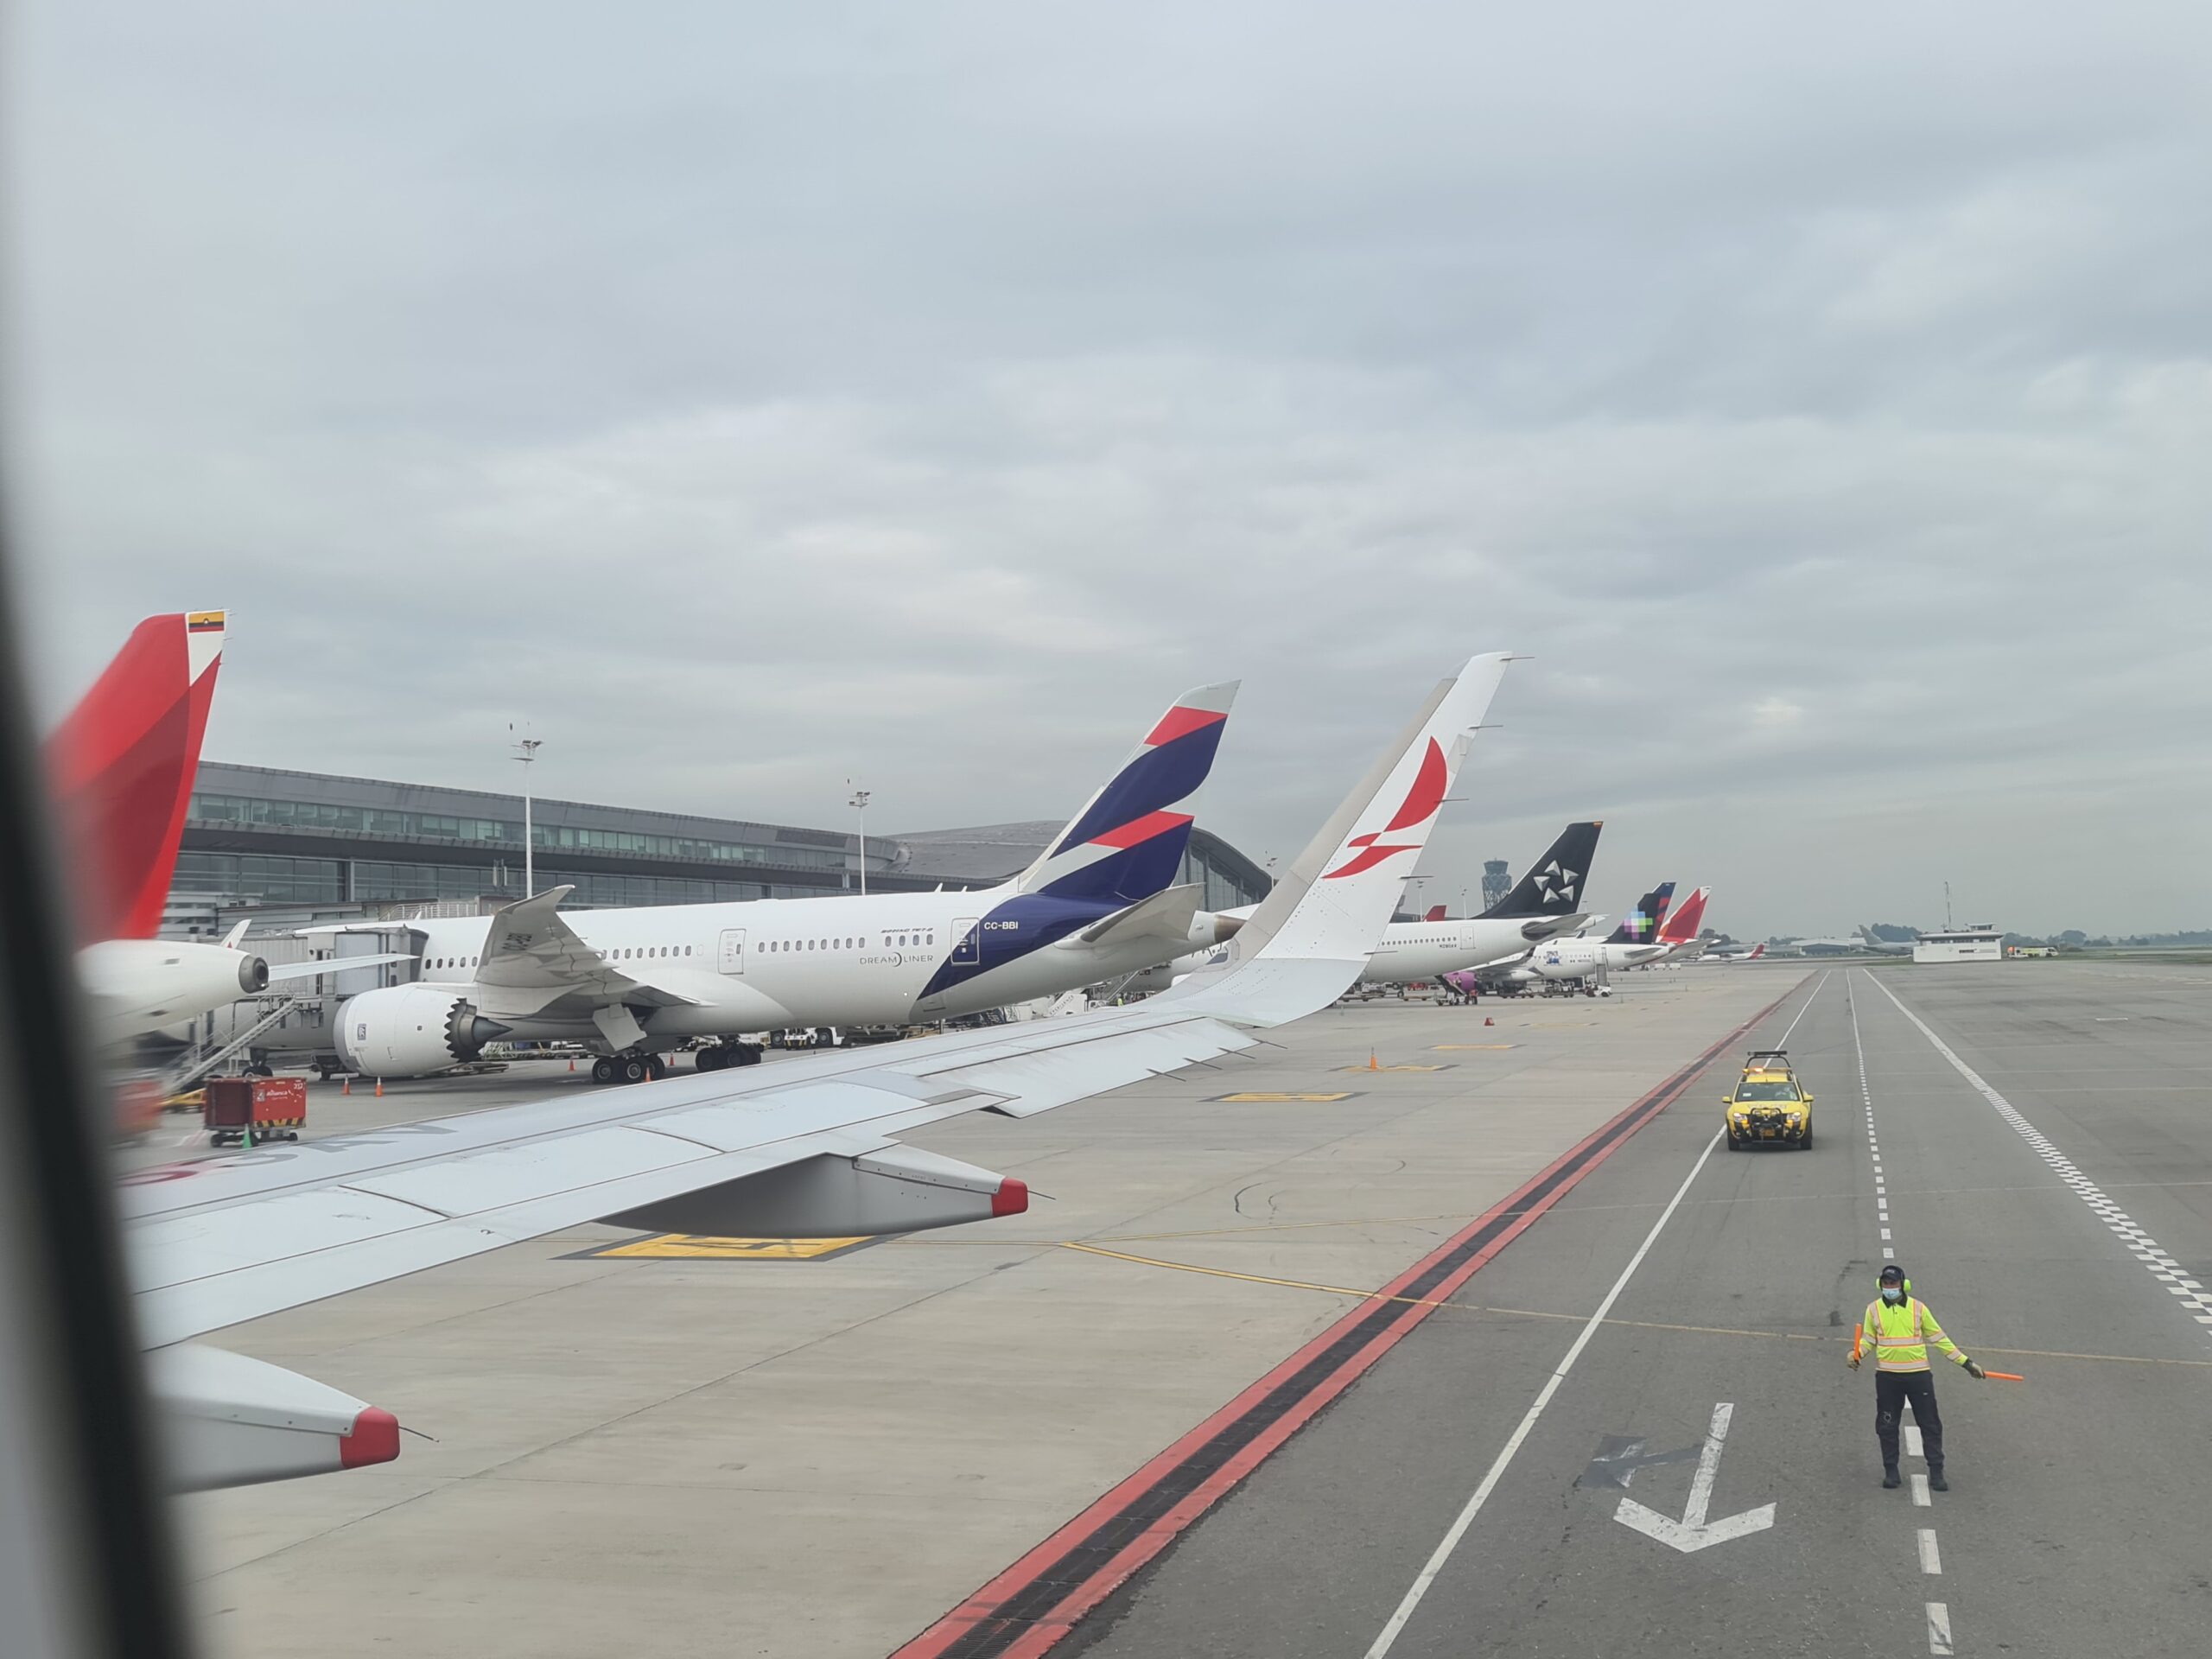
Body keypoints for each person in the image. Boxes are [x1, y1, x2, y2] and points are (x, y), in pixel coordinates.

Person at [1848, 1263, 1986, 1491]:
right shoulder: (1873, 1310)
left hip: (1918, 1376)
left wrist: (1966, 1363)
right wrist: (1856, 1354)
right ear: (1880, 1285)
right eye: (1885, 1283)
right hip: (1888, 1377)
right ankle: (1891, 1471)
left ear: (1903, 1285)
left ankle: (1936, 1472)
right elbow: (1868, 1339)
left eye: (1893, 1283)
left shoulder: (1918, 1309)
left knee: (1930, 1424)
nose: (1889, 1287)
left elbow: (1940, 1339)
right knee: (1887, 1425)